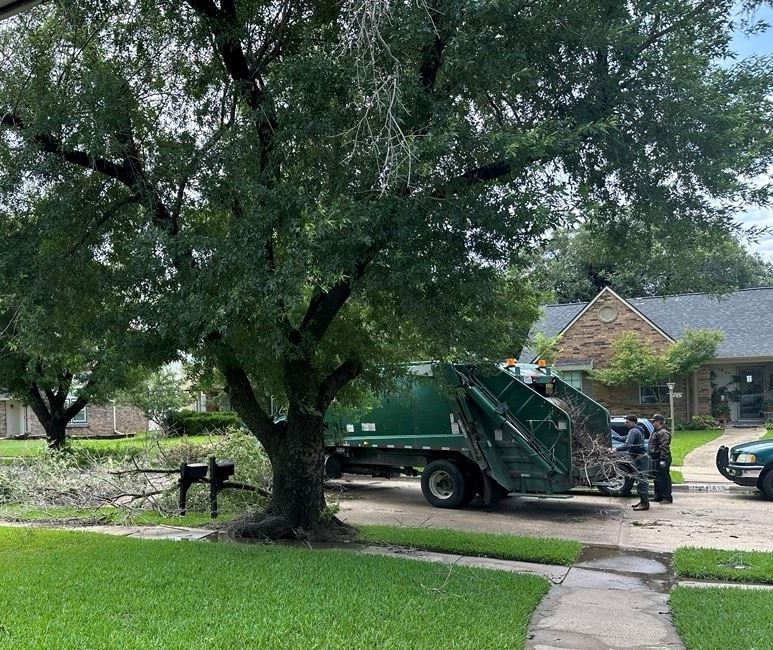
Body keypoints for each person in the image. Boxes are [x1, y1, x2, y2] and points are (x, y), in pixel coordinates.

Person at [617, 415, 650, 510]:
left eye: (627, 422)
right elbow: (625, 438)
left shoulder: (633, 431)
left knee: (641, 481)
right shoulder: (639, 429)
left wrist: (615, 449)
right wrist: (613, 436)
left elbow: (627, 445)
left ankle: (644, 503)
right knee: (641, 480)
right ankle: (643, 501)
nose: (625, 424)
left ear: (633, 422)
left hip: (640, 459)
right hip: (642, 458)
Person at [649, 414, 673, 503]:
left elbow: (664, 447)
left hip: (661, 457)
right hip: (655, 457)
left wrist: (663, 459)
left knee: (663, 478)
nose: (653, 423)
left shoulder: (663, 432)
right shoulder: (656, 432)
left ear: (659, 422)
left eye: (654, 421)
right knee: (657, 479)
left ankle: (666, 497)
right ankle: (658, 496)